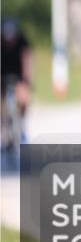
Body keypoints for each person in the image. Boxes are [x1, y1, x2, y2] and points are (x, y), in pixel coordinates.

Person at [1, 17, 32, 149]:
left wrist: (27, 80)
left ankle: (22, 127)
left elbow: (27, 60)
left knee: (23, 98)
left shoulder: (22, 41)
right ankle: (3, 131)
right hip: (2, 74)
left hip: (19, 75)